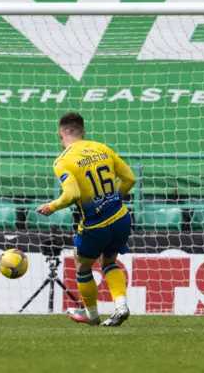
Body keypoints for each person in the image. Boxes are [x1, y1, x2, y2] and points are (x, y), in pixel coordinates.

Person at [36, 112, 136, 326]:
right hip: (121, 217)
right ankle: (121, 305)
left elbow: (71, 195)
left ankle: (91, 314)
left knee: (82, 266)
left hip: (96, 224)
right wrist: (114, 199)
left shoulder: (63, 161)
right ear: (84, 133)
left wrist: (51, 206)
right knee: (109, 262)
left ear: (60, 135)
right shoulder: (102, 148)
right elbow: (130, 178)